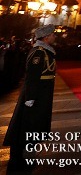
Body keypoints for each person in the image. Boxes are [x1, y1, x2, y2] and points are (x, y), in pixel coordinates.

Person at [3, 24, 57, 172]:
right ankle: (18, 158)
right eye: (52, 34)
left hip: (42, 95)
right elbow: (33, 76)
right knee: (26, 125)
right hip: (35, 96)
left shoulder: (46, 51)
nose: (54, 36)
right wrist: (31, 97)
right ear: (46, 37)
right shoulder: (39, 52)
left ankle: (24, 155)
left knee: (33, 125)